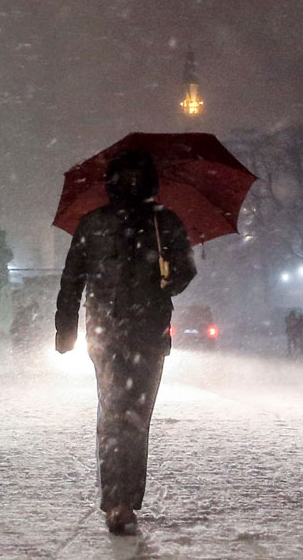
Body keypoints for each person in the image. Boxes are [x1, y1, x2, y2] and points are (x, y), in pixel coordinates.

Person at [54, 150, 196, 534]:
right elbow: (73, 278)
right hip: (134, 333)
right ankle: (122, 500)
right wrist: (170, 279)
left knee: (120, 415)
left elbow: (72, 281)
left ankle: (120, 499)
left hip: (118, 332)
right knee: (129, 416)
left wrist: (65, 330)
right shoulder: (160, 221)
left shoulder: (107, 223)